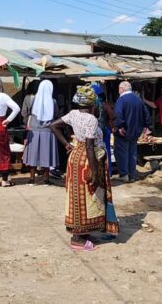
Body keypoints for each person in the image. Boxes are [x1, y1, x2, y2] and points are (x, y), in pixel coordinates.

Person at [50, 85, 119, 251]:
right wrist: (95, 171)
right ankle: (78, 238)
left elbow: (53, 125)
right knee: (88, 196)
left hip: (75, 157)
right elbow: (89, 146)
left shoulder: (73, 114)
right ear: (93, 103)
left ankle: (83, 231)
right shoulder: (91, 119)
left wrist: (67, 144)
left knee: (78, 196)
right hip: (88, 159)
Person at [113, 81, 150, 182]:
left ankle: (124, 174)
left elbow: (118, 113)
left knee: (122, 153)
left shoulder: (121, 100)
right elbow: (146, 113)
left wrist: (120, 126)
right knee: (132, 153)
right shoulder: (138, 99)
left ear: (122, 89)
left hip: (124, 131)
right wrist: (146, 126)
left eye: (119, 89)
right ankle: (132, 175)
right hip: (136, 132)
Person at [23, 79, 59, 184]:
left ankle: (31, 179)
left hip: (34, 131)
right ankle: (46, 179)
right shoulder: (53, 101)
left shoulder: (33, 100)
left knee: (33, 155)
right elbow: (56, 114)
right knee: (47, 155)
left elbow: (28, 112)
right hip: (48, 131)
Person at [92, 82, 116, 176]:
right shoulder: (105, 105)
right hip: (105, 130)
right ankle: (108, 171)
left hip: (95, 131)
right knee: (107, 150)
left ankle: (97, 171)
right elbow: (113, 117)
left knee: (95, 151)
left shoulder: (92, 106)